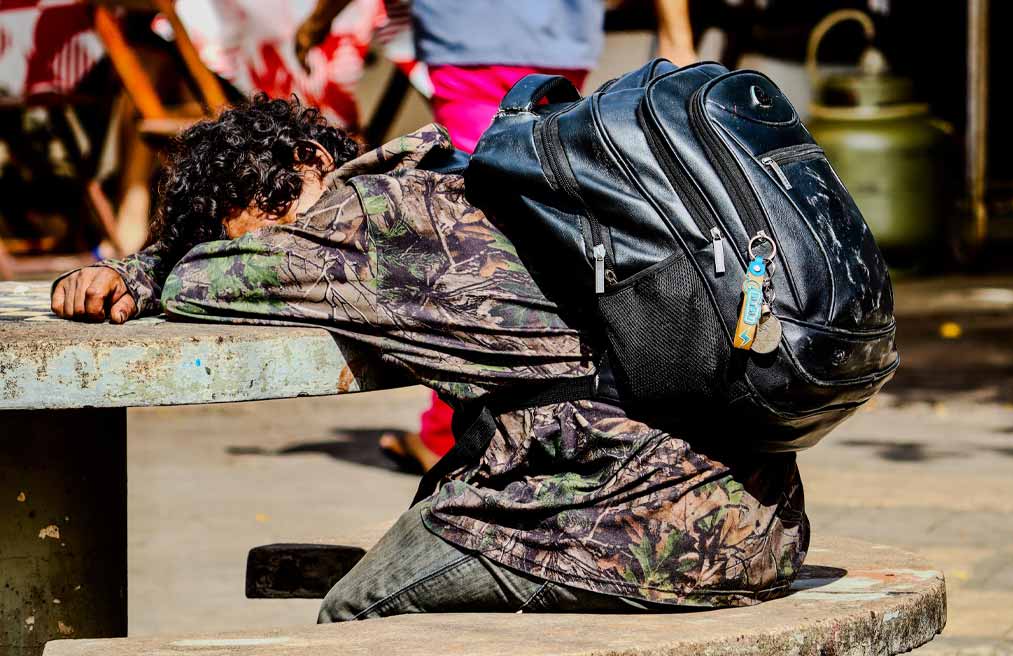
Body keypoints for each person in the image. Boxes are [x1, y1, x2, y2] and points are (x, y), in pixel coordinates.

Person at [52, 96, 808, 618]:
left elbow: (198, 278)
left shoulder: (351, 225)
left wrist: (141, 269)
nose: (271, 245)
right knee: (431, 513)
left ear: (313, 158)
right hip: (759, 507)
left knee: (356, 610)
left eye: (260, 215)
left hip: (651, 529)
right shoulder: (455, 172)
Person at [296, 0, 698, 471]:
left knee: (469, 226)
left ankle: (452, 432)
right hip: (558, 35)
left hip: (471, 33)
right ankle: (537, 415)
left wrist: (321, 19)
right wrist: (677, 32)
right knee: (533, 213)